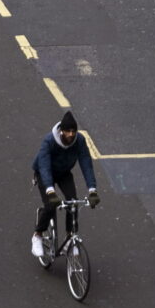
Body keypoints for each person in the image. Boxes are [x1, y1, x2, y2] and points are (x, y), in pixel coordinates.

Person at [30, 111, 99, 259]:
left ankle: (70, 238)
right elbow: (44, 166)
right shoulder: (49, 141)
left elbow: (86, 163)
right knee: (50, 205)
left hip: (63, 172)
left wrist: (92, 190)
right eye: (67, 131)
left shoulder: (79, 141)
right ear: (61, 130)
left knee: (73, 202)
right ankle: (38, 235)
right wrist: (50, 190)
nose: (71, 134)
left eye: (73, 131)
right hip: (44, 173)